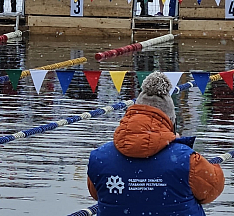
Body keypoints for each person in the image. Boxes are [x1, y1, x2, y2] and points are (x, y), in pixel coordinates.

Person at [87, 71, 224, 215]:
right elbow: (212, 190)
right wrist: (180, 149)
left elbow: (96, 193)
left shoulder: (100, 157)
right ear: (170, 121)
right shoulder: (187, 160)